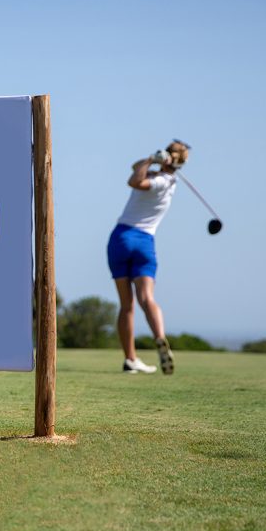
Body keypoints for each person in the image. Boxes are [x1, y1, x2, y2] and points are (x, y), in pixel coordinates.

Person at [106, 140, 190, 374]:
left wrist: (152, 160)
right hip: (144, 244)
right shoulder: (167, 180)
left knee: (127, 306)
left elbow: (134, 180)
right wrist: (153, 159)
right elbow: (135, 167)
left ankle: (130, 359)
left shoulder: (159, 181)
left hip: (121, 238)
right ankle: (160, 337)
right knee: (146, 298)